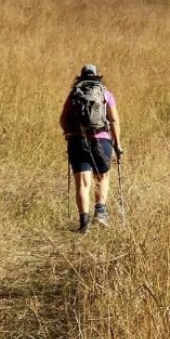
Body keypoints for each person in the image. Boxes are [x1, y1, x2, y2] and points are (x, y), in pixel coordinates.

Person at [60, 64, 123, 233]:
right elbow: (115, 120)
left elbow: (63, 120)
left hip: (77, 142)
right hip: (101, 141)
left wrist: (69, 133)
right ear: (97, 77)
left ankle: (84, 224)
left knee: (83, 183)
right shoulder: (105, 94)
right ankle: (100, 213)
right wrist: (117, 143)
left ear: (80, 77)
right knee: (102, 176)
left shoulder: (74, 94)